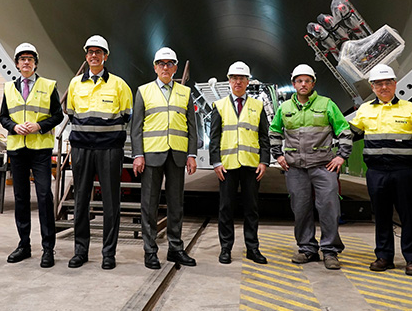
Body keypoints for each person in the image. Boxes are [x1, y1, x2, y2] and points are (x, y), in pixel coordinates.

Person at [269, 64, 352, 270]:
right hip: (296, 169)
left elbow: (345, 131)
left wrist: (341, 156)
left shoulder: (327, 105)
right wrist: (278, 156)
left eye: (307, 80)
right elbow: (274, 133)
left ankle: (330, 251)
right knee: (301, 209)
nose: (303, 84)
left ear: (313, 83)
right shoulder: (285, 108)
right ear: (293, 83)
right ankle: (307, 249)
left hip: (324, 167)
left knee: (329, 208)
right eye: (299, 81)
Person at [66, 35, 133, 270]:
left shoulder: (119, 85)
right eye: (90, 52)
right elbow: (72, 113)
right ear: (86, 56)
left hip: (109, 150)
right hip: (82, 148)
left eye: (98, 52)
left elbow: (126, 115)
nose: (93, 55)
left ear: (106, 56)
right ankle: (80, 251)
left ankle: (108, 253)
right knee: (80, 199)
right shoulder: (75, 84)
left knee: (111, 202)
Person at [349, 64, 412, 276]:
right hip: (376, 171)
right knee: (381, 215)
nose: (383, 87)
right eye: (379, 84)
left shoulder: (411, 109)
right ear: (372, 87)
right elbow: (350, 134)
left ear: (395, 84)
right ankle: (384, 257)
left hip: (404, 171)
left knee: (409, 215)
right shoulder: (365, 110)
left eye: (387, 82)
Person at [131, 47, 197, 270]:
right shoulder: (143, 91)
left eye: (169, 64)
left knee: (176, 204)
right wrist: (138, 154)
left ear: (176, 67)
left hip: (177, 155)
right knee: (149, 205)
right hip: (151, 155)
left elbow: (192, 127)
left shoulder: (185, 93)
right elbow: (136, 127)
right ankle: (150, 251)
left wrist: (191, 154)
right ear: (155, 67)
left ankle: (175, 248)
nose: (165, 67)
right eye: (161, 63)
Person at [0, 43, 63, 268]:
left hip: (40, 150)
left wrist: (39, 126)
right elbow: (3, 117)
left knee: (44, 196)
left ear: (35, 63)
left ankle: (48, 249)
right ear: (16, 64)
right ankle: (24, 245)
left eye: (30, 59)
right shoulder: (9, 88)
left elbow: (58, 115)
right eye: (22, 59)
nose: (26, 62)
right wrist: (13, 127)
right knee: (20, 198)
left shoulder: (48, 85)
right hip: (17, 150)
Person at [209, 62, 270, 266]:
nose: (238, 81)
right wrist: (216, 162)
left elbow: (264, 136)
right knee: (226, 207)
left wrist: (264, 161)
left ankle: (252, 248)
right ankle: (226, 248)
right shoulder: (219, 106)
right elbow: (214, 136)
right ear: (229, 80)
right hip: (227, 166)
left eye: (241, 78)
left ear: (248, 82)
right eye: (234, 78)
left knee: (251, 208)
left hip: (251, 165)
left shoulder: (257, 106)